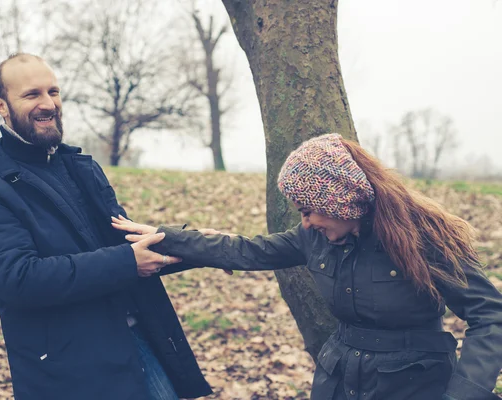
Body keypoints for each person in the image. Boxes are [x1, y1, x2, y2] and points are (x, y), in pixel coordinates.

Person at [112, 133, 502, 400]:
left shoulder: (424, 239)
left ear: (342, 202)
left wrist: (465, 393)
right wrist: (168, 236)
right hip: (339, 381)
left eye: (309, 211)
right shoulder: (314, 237)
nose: (306, 222)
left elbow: (490, 316)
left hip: (415, 386)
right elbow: (245, 251)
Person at [0, 53, 212, 400]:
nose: (49, 103)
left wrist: (198, 247)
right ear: (1, 106)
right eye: (32, 94)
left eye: (54, 91)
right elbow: (19, 280)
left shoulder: (81, 168)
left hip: (139, 344)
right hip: (71, 370)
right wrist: (127, 261)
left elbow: (128, 244)